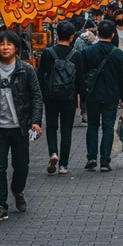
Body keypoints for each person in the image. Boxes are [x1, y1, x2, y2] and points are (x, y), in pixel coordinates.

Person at [0, 30, 43, 221]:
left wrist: (36, 122)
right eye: (2, 44)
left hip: (20, 127)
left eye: (9, 44)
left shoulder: (26, 70)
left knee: (21, 166)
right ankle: (0, 205)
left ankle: (18, 190)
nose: (5, 47)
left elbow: (36, 97)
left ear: (16, 48)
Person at [82, 20, 123, 172]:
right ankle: (104, 161)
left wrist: (81, 95)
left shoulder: (88, 52)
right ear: (112, 34)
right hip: (111, 95)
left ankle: (91, 157)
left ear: (97, 34)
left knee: (92, 126)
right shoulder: (118, 54)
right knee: (108, 127)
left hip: (92, 94)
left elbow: (82, 74)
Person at [37, 20, 84, 176]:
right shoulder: (76, 55)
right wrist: (82, 99)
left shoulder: (48, 53)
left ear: (56, 35)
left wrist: (42, 95)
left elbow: (40, 76)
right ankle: (63, 165)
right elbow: (80, 79)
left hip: (51, 97)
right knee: (66, 130)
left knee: (51, 127)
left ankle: (53, 153)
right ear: (72, 37)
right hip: (69, 98)